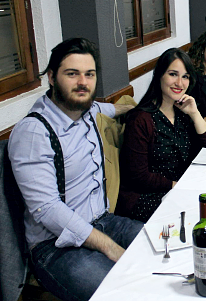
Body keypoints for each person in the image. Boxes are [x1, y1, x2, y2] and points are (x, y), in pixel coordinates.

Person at [8, 38, 144, 301]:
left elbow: (109, 108)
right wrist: (110, 248)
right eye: (72, 74)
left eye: (89, 74)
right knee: (121, 293)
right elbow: (47, 209)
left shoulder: (86, 109)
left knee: (164, 246)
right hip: (55, 246)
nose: (83, 82)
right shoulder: (34, 132)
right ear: (51, 77)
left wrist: (138, 110)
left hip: (103, 221)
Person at [116, 48, 206, 222]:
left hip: (177, 189)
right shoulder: (141, 119)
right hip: (146, 197)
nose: (179, 82)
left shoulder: (182, 112)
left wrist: (194, 113)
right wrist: (175, 185)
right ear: (159, 75)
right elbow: (138, 176)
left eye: (185, 76)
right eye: (173, 74)